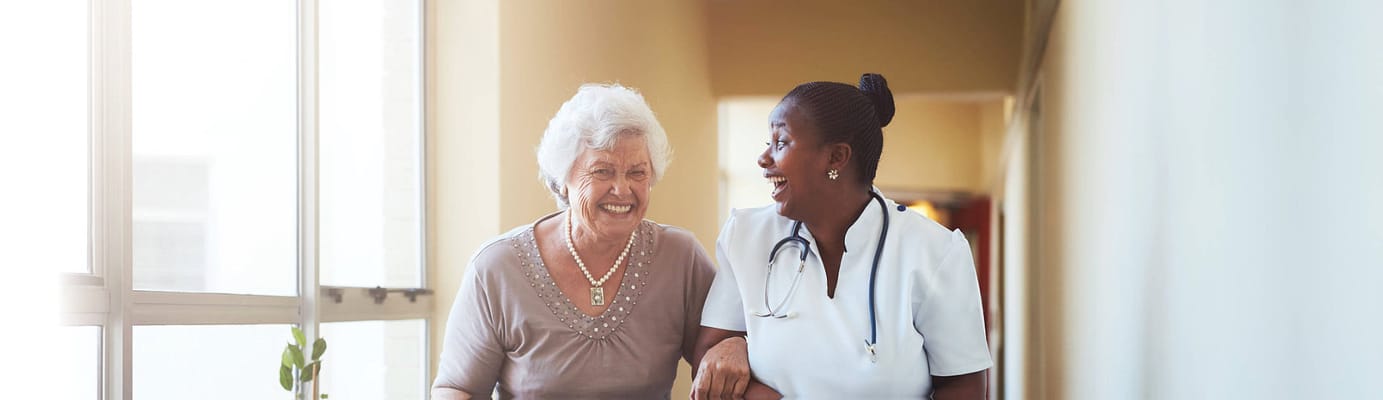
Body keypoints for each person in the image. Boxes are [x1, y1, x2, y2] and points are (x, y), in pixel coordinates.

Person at [691, 73, 991, 399]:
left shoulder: (935, 252)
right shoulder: (747, 238)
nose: (764, 160)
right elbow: (709, 364)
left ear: (836, 158)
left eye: (781, 143)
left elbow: (963, 385)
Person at [432, 83, 716, 399]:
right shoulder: (498, 268)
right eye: (602, 172)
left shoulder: (680, 258)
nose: (622, 190)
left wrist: (732, 346)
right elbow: (457, 388)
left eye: (637, 173)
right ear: (563, 179)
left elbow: (729, 345)